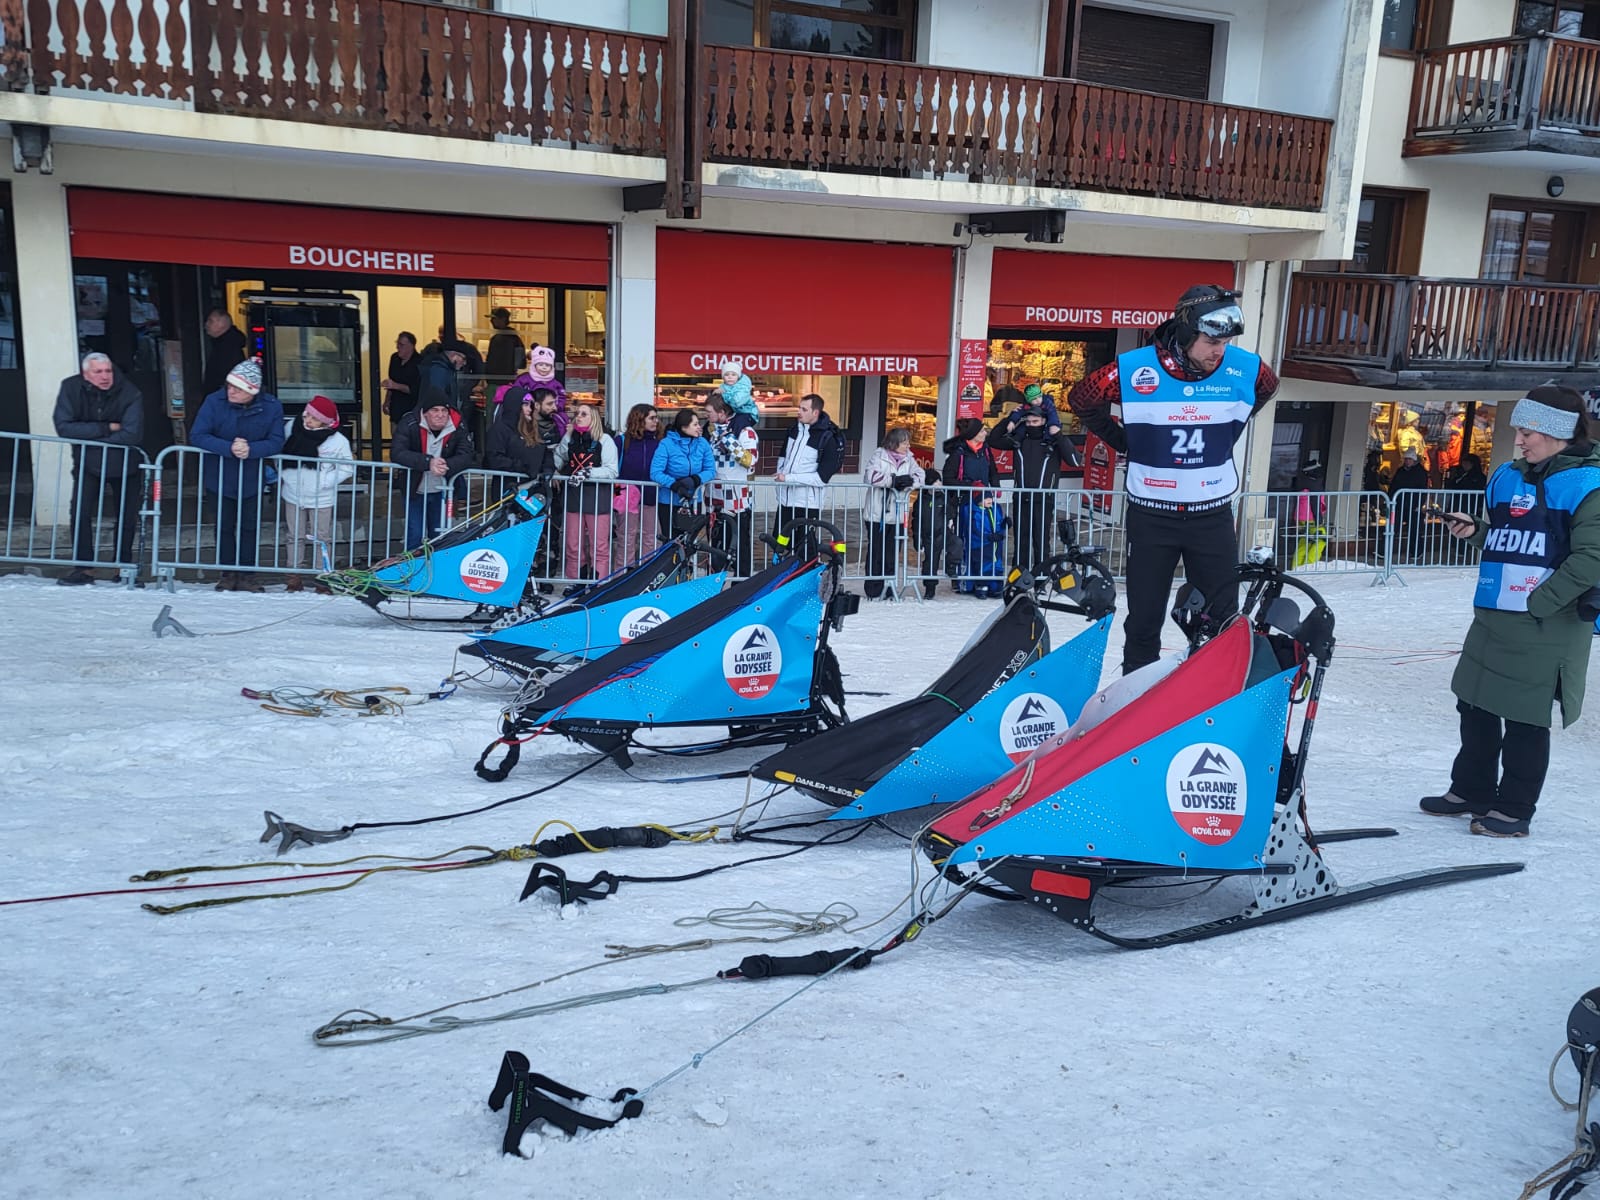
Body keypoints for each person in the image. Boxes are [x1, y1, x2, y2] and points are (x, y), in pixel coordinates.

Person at [1067, 283, 1279, 674]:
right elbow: (1081, 398)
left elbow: (1266, 387)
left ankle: (1213, 694)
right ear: (1185, 331)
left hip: (1211, 515)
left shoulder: (1245, 368)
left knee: (1223, 617)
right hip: (1152, 516)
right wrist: (1124, 440)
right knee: (1145, 619)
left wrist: (1227, 429)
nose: (1220, 350)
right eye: (1211, 341)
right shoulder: (1135, 369)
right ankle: (1136, 701)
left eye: (1227, 341)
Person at [1422, 385, 1600, 837]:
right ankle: (1471, 790)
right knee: (1474, 702)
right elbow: (1511, 536)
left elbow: (1590, 558)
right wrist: (1476, 531)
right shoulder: (1508, 475)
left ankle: (1515, 808)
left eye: (1528, 432)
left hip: (1544, 625)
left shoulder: (1589, 484)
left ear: (1558, 433)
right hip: (1492, 616)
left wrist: (1538, 602)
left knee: (1525, 717)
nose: (1519, 440)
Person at [189, 359, 286, 592]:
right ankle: (227, 572)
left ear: (251, 391)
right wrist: (228, 448)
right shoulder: (214, 401)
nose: (230, 390)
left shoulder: (271, 406)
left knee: (249, 526)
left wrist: (252, 450)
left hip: (252, 477)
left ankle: (247, 574)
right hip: (219, 476)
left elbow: (276, 441)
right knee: (223, 525)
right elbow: (198, 435)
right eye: (229, 385)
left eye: (237, 388)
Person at [52, 352, 145, 584]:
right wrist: (107, 428)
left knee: (126, 516)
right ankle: (84, 569)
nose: (105, 376)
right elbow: (64, 427)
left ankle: (122, 568)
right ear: (86, 374)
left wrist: (91, 438)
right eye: (98, 372)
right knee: (80, 513)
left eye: (108, 371)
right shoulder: (71, 388)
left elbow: (132, 434)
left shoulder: (130, 392)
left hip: (126, 463)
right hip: (88, 462)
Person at [277, 394, 354, 592]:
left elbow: (347, 467)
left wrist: (326, 482)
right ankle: (293, 576)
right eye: (306, 415)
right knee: (294, 536)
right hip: (293, 492)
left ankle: (322, 576)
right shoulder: (291, 429)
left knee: (322, 536)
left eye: (313, 417)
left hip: (322, 496)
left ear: (325, 421)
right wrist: (285, 474)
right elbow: (280, 453)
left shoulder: (337, 441)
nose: (307, 420)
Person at [988, 397, 1076, 570]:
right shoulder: (1019, 439)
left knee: (1041, 540)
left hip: (1044, 498)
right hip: (1021, 496)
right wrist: (1011, 418)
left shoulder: (1052, 441)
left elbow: (1074, 460)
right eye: (1028, 421)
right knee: (1021, 538)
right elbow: (994, 439)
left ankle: (1041, 577)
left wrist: (1057, 434)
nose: (1031, 425)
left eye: (1035, 421)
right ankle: (1019, 575)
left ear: (1044, 421)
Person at [391, 394, 473, 551]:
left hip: (444, 490)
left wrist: (447, 465)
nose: (440, 415)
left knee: (440, 536)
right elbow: (397, 451)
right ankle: (413, 570)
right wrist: (428, 462)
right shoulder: (409, 423)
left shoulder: (458, 425)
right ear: (425, 413)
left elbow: (467, 455)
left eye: (444, 410)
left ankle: (437, 572)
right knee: (415, 534)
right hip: (415, 488)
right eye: (435, 410)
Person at [553, 403, 619, 584]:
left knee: (599, 545)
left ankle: (599, 582)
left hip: (597, 498)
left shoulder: (605, 440)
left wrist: (588, 473)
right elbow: (558, 458)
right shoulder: (570, 437)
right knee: (573, 544)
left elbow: (612, 470)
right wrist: (555, 471)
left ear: (594, 418)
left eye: (583, 414)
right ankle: (575, 582)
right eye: (577, 414)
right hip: (574, 496)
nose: (578, 417)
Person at [773, 393, 844, 560]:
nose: (799, 412)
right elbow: (783, 457)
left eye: (804, 409)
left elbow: (821, 478)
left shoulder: (827, 438)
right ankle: (781, 576)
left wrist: (788, 478)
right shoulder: (793, 430)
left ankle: (804, 578)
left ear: (815, 413)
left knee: (805, 547)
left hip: (807, 503)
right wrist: (781, 479)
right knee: (781, 542)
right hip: (786, 500)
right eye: (799, 408)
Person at [941, 418, 999, 590]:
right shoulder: (958, 454)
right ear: (973, 435)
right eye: (982, 431)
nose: (985, 433)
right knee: (962, 541)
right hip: (963, 503)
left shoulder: (986, 451)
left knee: (980, 540)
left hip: (982, 503)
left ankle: (979, 574)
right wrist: (970, 486)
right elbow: (948, 479)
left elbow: (993, 472)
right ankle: (959, 578)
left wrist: (995, 489)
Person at [705, 390, 759, 575]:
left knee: (740, 545)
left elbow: (750, 461)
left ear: (722, 412)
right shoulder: (711, 432)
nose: (707, 416)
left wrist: (728, 440)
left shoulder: (745, 432)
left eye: (710, 412)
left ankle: (742, 584)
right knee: (716, 544)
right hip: (714, 497)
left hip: (737, 500)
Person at [861, 428, 919, 599]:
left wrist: (910, 482)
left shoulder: (910, 458)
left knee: (893, 553)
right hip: (877, 514)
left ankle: (890, 587)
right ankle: (873, 588)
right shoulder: (879, 456)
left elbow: (920, 476)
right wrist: (893, 481)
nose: (908, 445)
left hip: (898, 514)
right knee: (877, 551)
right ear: (894, 443)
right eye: (904, 442)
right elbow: (870, 477)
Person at [650, 408, 716, 543]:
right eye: (695, 424)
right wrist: (674, 485)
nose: (699, 427)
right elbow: (655, 472)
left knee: (690, 542)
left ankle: (688, 564)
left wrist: (696, 479)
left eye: (699, 424)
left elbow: (710, 470)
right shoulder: (666, 444)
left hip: (693, 500)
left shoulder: (702, 443)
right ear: (684, 427)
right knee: (671, 542)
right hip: (669, 501)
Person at [614, 403, 662, 559]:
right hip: (626, 498)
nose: (656, 421)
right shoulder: (622, 441)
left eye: (656, 418)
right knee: (626, 538)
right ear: (640, 419)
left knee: (651, 538)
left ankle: (648, 575)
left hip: (651, 496)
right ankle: (622, 576)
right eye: (652, 418)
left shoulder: (659, 443)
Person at [484, 386, 552, 485]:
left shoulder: (534, 428)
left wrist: (548, 468)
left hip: (535, 489)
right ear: (515, 405)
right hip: (509, 489)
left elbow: (546, 452)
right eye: (525, 404)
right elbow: (494, 458)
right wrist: (522, 467)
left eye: (532, 405)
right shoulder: (500, 429)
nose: (530, 409)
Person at [956, 489, 1007, 597]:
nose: (990, 500)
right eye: (986, 498)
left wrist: (1005, 524)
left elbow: (998, 524)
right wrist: (988, 537)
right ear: (979, 501)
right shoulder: (976, 513)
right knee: (983, 566)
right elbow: (976, 530)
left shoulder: (994, 510)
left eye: (990, 498)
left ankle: (996, 588)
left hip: (994, 544)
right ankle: (981, 587)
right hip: (981, 545)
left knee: (996, 566)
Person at [909, 465, 950, 600]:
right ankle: (930, 587)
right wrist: (917, 537)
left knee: (956, 546)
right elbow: (916, 520)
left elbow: (951, 512)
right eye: (936, 482)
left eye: (940, 481)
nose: (939, 484)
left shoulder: (944, 497)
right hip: (928, 535)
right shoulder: (921, 501)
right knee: (930, 562)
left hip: (943, 533)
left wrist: (951, 515)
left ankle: (952, 570)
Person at [1389, 446, 1431, 560]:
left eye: (1409, 459)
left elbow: (1422, 490)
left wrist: (1418, 504)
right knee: (1392, 528)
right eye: (1406, 459)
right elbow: (1393, 486)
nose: (1407, 461)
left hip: (1413, 505)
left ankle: (1416, 551)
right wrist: (1390, 499)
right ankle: (1385, 550)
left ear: (1414, 460)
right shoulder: (1401, 470)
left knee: (1415, 530)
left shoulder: (1420, 472)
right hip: (1399, 504)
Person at [200, 308, 247, 400]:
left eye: (210, 321)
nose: (206, 325)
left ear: (222, 324)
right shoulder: (223, 344)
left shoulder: (228, 347)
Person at [381, 331, 422, 426]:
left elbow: (416, 389)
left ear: (411, 346)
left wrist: (395, 386)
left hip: (411, 406)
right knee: (395, 434)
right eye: (397, 343)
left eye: (401, 345)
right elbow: (391, 380)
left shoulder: (420, 362)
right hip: (396, 404)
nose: (397, 347)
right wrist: (386, 401)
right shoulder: (394, 358)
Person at [483, 307, 525, 382]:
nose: (491, 321)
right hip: (507, 379)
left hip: (497, 380)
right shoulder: (514, 337)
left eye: (494, 318)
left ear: (503, 319)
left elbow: (494, 362)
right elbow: (520, 360)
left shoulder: (500, 338)